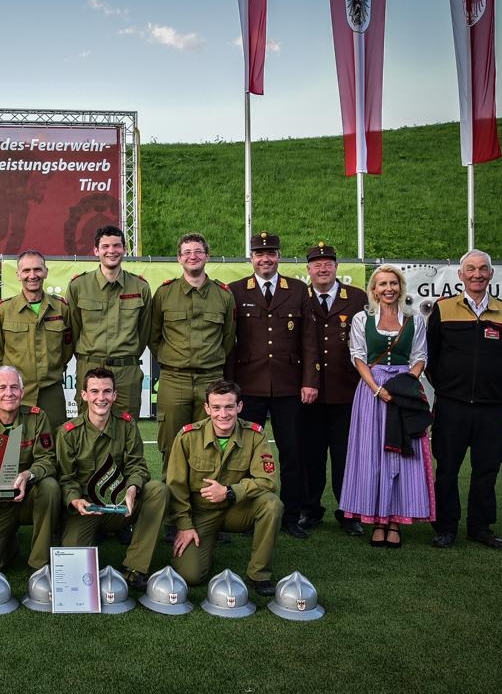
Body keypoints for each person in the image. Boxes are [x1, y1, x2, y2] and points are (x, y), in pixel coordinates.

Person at [427, 250, 502, 550]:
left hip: (492, 410)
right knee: (446, 470)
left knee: (487, 470)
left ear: (491, 274)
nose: (477, 274)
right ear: (460, 275)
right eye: (470, 269)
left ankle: (480, 527)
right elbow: (429, 358)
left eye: (483, 269)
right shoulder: (443, 309)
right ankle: (445, 527)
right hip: (451, 407)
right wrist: (446, 390)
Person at [227, 231, 319, 539]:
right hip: (248, 386)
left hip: (288, 386)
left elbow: (309, 341)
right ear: (251, 258)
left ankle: (292, 516)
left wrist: (309, 381)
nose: (265, 258)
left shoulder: (297, 290)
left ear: (279, 256)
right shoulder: (237, 290)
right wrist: (229, 388)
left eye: (271, 253)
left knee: (293, 452)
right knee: (243, 454)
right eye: (259, 253)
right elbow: (230, 343)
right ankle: (244, 514)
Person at [340, 265, 432, 548]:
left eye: (393, 283)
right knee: (372, 454)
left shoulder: (414, 319)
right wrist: (378, 389)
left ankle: (395, 520)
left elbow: (420, 356)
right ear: (374, 290)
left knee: (404, 455)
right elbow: (358, 357)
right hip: (372, 390)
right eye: (382, 284)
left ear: (400, 287)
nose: (388, 289)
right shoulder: (361, 319)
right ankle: (378, 520)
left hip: (405, 389)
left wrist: (406, 384)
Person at [56, 367, 168, 589]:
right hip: (85, 509)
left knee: (158, 490)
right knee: (72, 570)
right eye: (95, 391)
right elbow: (65, 478)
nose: (101, 397)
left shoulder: (127, 425)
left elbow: (137, 465)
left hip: (120, 506)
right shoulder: (68, 433)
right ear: (84, 395)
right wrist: (76, 501)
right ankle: (85, 535)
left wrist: (132, 489)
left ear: (115, 395)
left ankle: (135, 568)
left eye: (107, 391)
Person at [168, 380, 283, 596]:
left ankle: (259, 574)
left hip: (237, 510)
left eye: (229, 407)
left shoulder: (255, 436)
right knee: (190, 576)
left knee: (271, 504)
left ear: (239, 407)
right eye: (217, 407)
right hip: (201, 513)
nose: (223, 414)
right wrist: (184, 525)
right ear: (207, 408)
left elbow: (268, 481)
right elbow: (176, 486)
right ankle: (206, 548)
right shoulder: (188, 436)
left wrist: (230, 491)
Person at [0, 366, 61, 576]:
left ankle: (39, 563)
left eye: (14, 387)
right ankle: (9, 543)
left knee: (50, 486)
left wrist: (27, 475)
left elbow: (48, 460)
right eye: (2, 387)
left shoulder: (36, 418)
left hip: (28, 497)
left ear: (22, 393)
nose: (9, 393)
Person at [149, 233, 235, 478]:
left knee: (208, 443)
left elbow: (228, 339)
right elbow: (154, 336)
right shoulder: (165, 294)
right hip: (174, 380)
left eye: (198, 251)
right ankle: (171, 503)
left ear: (207, 256)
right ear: (179, 258)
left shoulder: (223, 295)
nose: (192, 256)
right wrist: (173, 360)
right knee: (171, 443)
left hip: (211, 380)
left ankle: (205, 503)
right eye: (186, 252)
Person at [300, 242, 369, 535]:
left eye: (328, 263)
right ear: (308, 270)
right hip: (309, 392)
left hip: (346, 391)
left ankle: (348, 511)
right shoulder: (298, 297)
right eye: (317, 264)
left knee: (346, 456)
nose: (323, 268)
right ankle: (310, 509)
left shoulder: (356, 298)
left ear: (337, 267)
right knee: (310, 455)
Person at [66, 224, 151, 419]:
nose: (111, 251)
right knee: (87, 431)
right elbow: (73, 328)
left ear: (124, 249)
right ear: (96, 250)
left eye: (117, 246)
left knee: (126, 430)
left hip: (126, 371)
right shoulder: (79, 286)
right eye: (105, 246)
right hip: (90, 368)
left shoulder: (140, 287)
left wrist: (126, 356)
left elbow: (144, 331)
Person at [0, 249, 74, 427]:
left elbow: (67, 348)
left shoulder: (61, 308)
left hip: (51, 392)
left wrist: (52, 368)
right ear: (18, 274)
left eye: (37, 270)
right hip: (16, 393)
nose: (32, 275)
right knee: (14, 447)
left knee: (54, 444)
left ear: (46, 272)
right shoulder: (4, 310)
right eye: (26, 271)